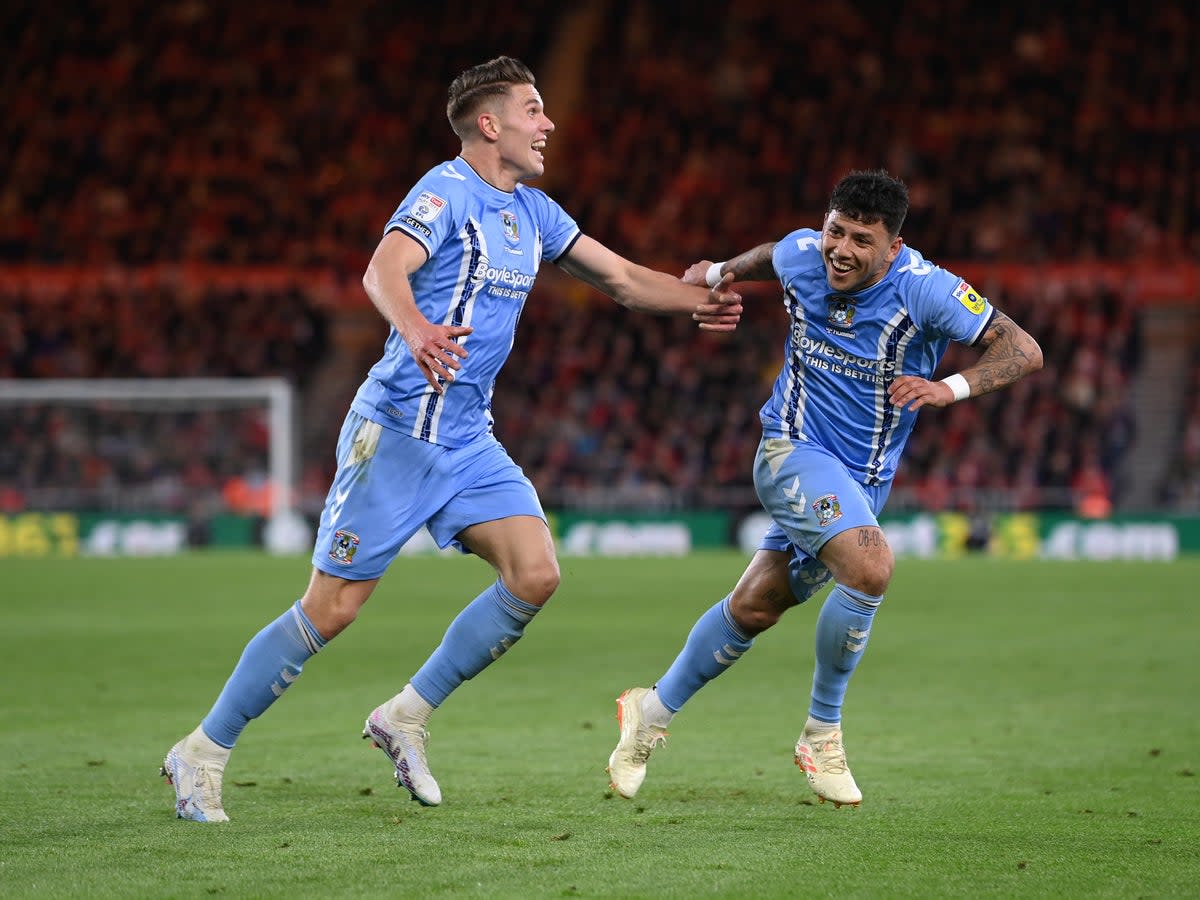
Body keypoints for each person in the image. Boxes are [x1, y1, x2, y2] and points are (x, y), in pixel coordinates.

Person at [161, 55, 742, 822]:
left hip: (468, 440)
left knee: (535, 573)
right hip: (397, 432)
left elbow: (626, 280)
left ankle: (405, 714)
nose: (549, 123)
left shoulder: (534, 212)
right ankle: (201, 752)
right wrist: (418, 328)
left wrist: (702, 298)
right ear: (490, 123)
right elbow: (383, 269)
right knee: (332, 609)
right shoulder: (445, 190)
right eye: (533, 110)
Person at [606, 169, 1043, 808]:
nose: (840, 249)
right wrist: (716, 271)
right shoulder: (802, 252)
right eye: (835, 230)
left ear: (892, 249)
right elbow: (766, 257)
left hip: (860, 482)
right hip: (790, 450)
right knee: (869, 568)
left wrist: (948, 389)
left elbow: (1024, 350)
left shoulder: (927, 291)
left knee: (755, 607)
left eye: (861, 240)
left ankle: (652, 708)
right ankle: (822, 730)